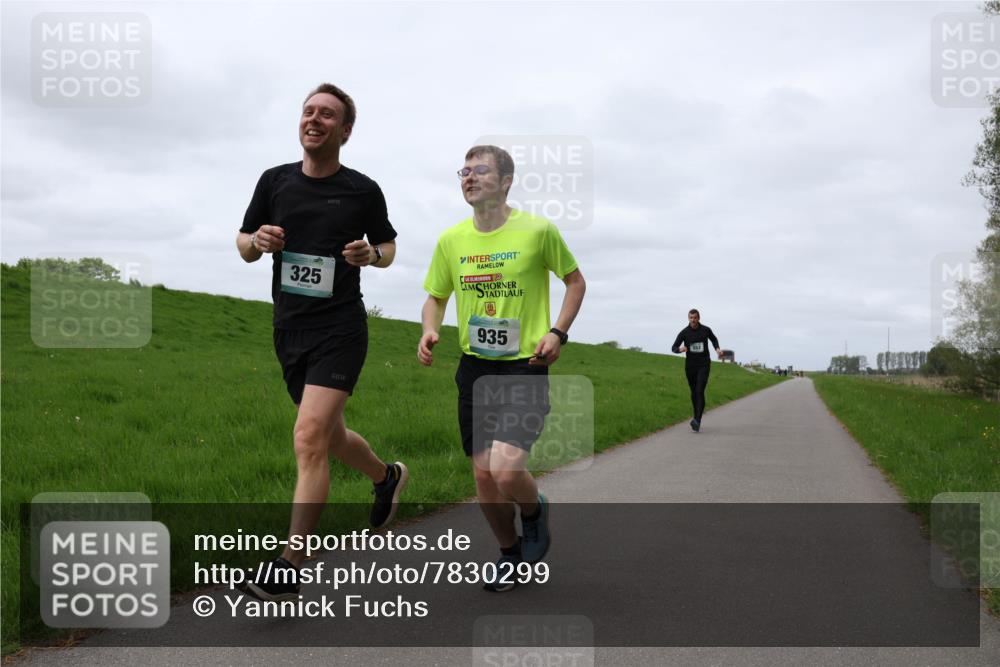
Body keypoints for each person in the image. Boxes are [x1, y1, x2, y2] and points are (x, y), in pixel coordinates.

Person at [235, 83, 407, 601]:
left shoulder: (362, 190)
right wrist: (257, 241)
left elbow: (389, 247)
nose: (315, 119)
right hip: (289, 329)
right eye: (308, 111)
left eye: (327, 114)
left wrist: (369, 256)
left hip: (340, 329)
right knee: (329, 437)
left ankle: (290, 561)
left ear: (345, 130)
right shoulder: (275, 182)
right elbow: (243, 244)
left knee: (308, 437)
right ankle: (385, 476)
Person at [418, 145, 585, 592]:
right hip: (474, 368)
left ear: (507, 180)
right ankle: (509, 555)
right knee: (482, 476)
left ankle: (534, 512)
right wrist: (429, 329)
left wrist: (558, 332)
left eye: (480, 171)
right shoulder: (451, 240)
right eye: (464, 171)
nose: (469, 178)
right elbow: (435, 296)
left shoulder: (537, 230)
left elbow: (575, 281)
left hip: (525, 366)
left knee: (506, 471)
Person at [671, 309, 722, 432]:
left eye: (695, 317)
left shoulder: (705, 330)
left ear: (699, 318)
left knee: (699, 390)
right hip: (690, 366)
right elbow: (673, 348)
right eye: (691, 318)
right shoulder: (684, 333)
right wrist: (680, 350)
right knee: (694, 393)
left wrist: (717, 349)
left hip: (704, 364)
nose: (693, 320)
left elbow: (714, 339)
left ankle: (697, 420)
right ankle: (696, 416)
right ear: (688, 319)